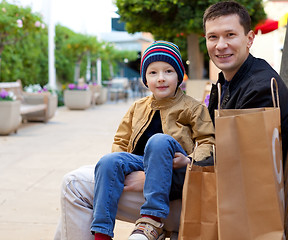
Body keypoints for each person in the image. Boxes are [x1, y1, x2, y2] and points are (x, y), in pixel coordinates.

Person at [54, 41, 215, 240]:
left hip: (173, 165)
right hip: (140, 163)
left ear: (179, 75)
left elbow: (208, 141)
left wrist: (189, 160)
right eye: (153, 73)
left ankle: (152, 219)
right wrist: (121, 168)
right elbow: (121, 140)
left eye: (168, 71)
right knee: (108, 161)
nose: (161, 78)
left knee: (158, 141)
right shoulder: (138, 106)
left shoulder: (192, 107)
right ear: (145, 79)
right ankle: (102, 232)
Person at [203, 1, 288, 160]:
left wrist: (187, 165)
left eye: (230, 35)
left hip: (248, 182)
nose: (221, 45)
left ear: (250, 39)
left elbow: (244, 159)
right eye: (213, 37)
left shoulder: (260, 88)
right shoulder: (227, 82)